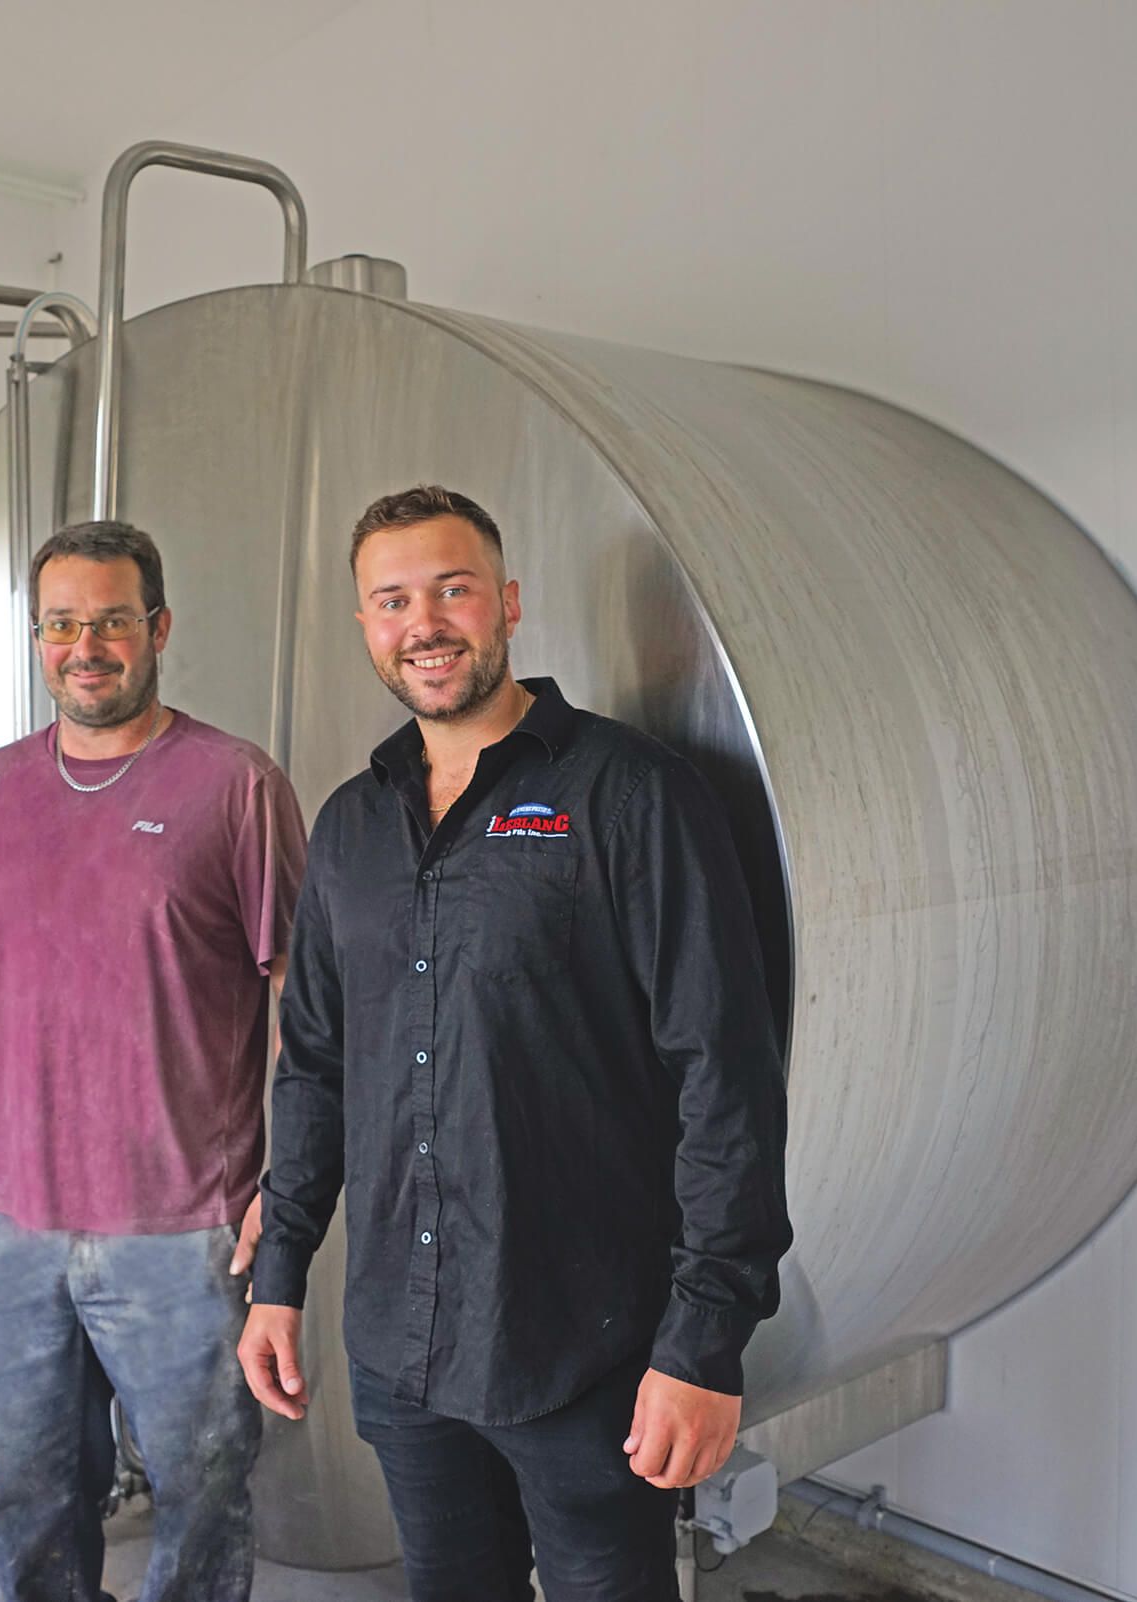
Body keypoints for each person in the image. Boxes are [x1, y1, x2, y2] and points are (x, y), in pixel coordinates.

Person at [239, 485, 792, 1602]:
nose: (425, 623)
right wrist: (280, 1272)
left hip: (582, 1347)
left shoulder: (631, 794)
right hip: (402, 1352)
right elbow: (314, 1066)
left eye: (453, 588)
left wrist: (704, 1341)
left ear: (508, 603)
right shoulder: (351, 822)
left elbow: (723, 1077)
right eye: (393, 601)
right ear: (365, 627)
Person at [0, 519, 306, 1602]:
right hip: (17, 1229)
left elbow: (301, 1001)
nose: (88, 646)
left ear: (159, 629)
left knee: (202, 1493)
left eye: (113, 621)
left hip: (186, 1234)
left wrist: (290, 1184)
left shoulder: (235, 786)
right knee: (30, 1493)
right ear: (38, 640)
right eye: (62, 624)